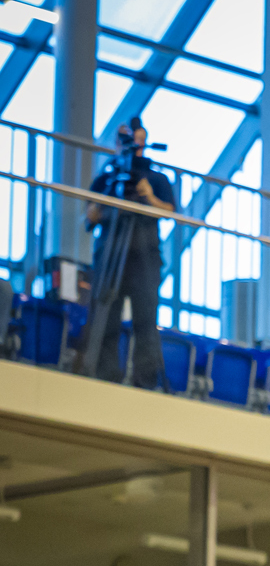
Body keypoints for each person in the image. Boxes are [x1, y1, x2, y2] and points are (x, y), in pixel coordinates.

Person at [81, 118, 177, 390]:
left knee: (145, 320)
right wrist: (106, 198)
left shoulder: (156, 179)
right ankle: (104, 374)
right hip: (110, 256)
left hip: (145, 257)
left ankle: (145, 380)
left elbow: (170, 211)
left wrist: (149, 197)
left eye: (138, 142)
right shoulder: (106, 180)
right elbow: (89, 219)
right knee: (106, 314)